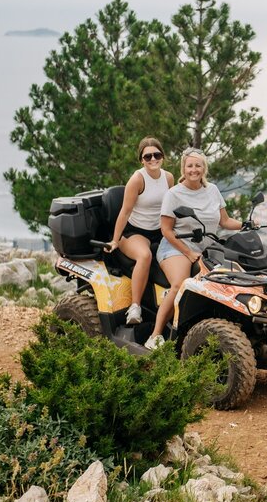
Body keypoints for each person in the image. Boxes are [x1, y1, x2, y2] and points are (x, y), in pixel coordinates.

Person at [145, 147, 245, 350]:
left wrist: (246, 224)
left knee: (235, 275)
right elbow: (166, 230)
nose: (194, 169)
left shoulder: (213, 190)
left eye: (198, 165)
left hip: (207, 248)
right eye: (190, 165)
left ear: (204, 168)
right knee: (181, 284)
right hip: (176, 247)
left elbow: (225, 221)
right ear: (184, 168)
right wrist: (188, 252)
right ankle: (155, 335)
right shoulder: (174, 194)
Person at [104, 137, 174, 325]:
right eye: (147, 156)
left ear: (163, 156)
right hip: (134, 232)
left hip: (159, 231)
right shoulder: (137, 180)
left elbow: (171, 208)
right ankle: (135, 307)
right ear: (141, 160)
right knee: (145, 256)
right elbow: (125, 212)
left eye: (156, 154)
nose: (153, 159)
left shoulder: (168, 178)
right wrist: (115, 241)